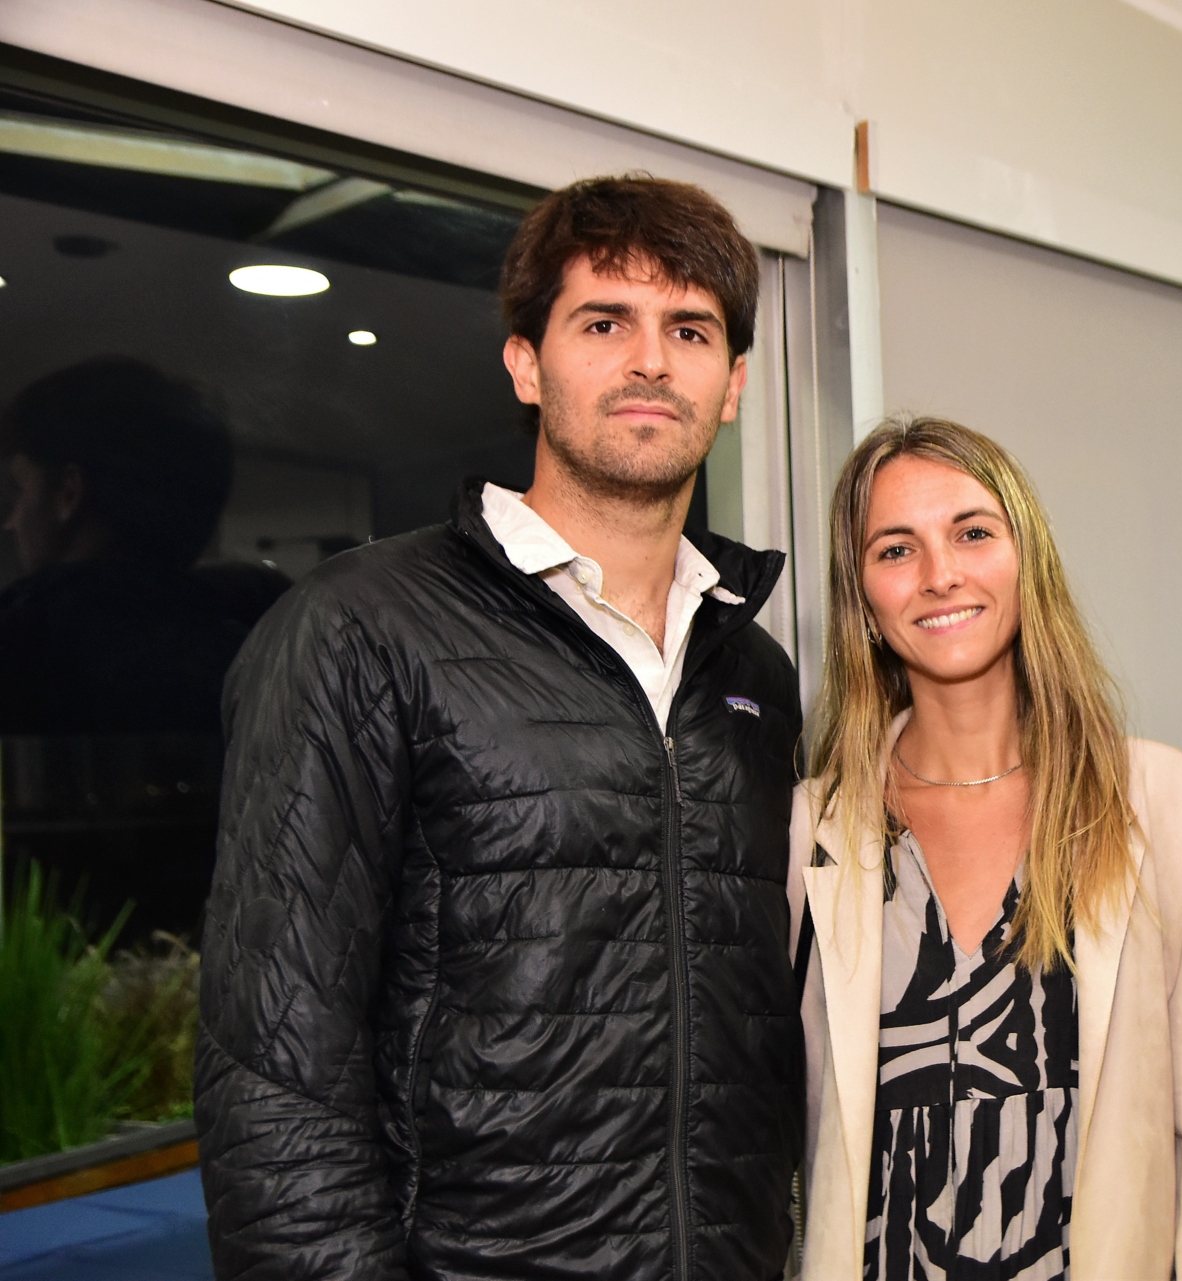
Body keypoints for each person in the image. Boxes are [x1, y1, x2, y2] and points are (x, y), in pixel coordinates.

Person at [195, 176, 804, 1280]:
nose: (651, 361)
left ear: (734, 386)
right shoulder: (360, 627)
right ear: (526, 364)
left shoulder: (753, 673)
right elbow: (277, 1066)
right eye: (605, 323)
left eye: (689, 331)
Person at [792, 417, 1182, 1280]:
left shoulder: (1159, 802)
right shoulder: (809, 834)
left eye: (972, 533)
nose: (940, 574)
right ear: (861, 598)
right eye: (896, 549)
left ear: (1026, 559)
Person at [0, 357, 287, 940]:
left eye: (22, 488)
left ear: (68, 493)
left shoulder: (25, 637)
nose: (12, 520)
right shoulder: (267, 647)